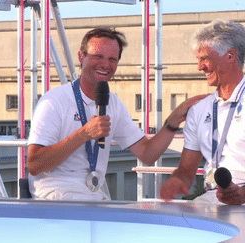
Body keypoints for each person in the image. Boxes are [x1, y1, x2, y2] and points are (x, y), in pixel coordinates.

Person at [27, 27, 207, 201]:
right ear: (81, 57)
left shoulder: (113, 103)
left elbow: (147, 154)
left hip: (92, 194)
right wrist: (83, 135)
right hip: (55, 196)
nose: (105, 64)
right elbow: (34, 165)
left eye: (112, 59)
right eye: (98, 56)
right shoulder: (54, 101)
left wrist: (173, 120)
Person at [160, 19, 245, 205]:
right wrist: (176, 181)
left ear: (231, 56)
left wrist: (242, 193)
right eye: (198, 60)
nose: (200, 67)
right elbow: (185, 172)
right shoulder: (199, 109)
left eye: (205, 58)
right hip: (211, 200)